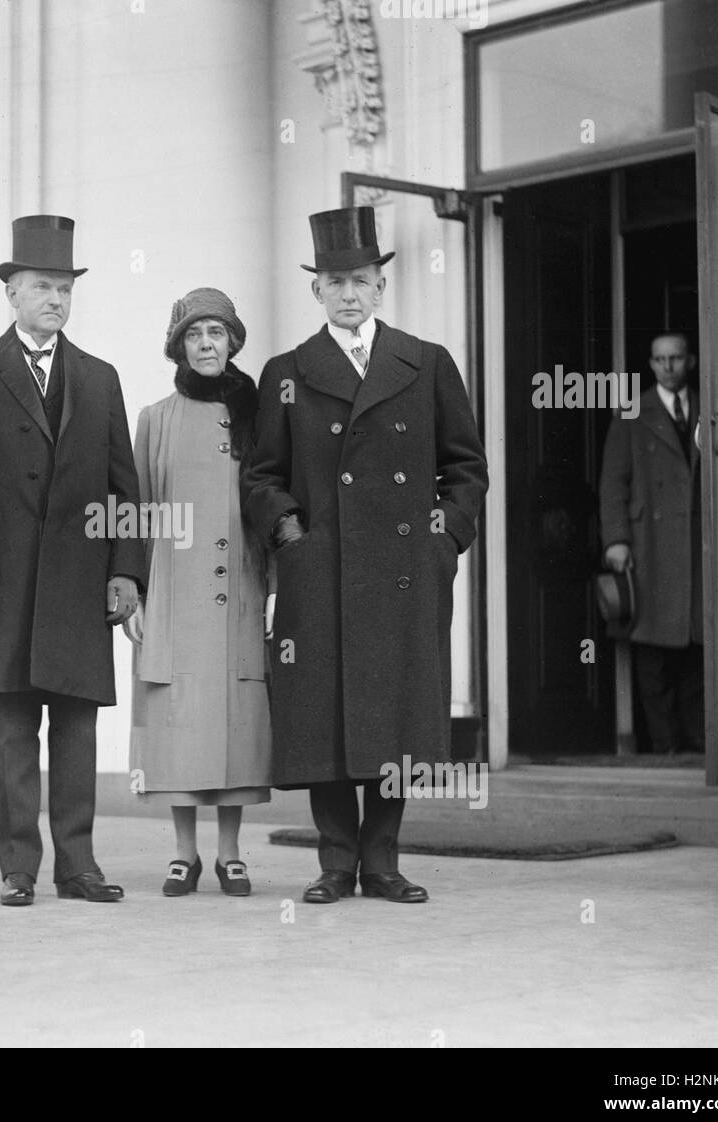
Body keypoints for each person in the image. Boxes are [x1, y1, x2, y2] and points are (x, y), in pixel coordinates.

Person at [241, 206, 488, 905]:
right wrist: (292, 535)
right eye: (334, 282)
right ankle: (333, 862)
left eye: (360, 280)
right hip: (321, 571)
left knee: (395, 714)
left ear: (380, 287)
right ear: (315, 291)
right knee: (323, 714)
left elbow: (466, 467)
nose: (348, 294)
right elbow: (261, 475)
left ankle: (382, 861)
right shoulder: (287, 372)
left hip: (405, 571)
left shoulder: (426, 362)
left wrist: (445, 537)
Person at [0, 215, 145, 906]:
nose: (54, 299)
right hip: (3, 583)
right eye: (41, 287)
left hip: (82, 581)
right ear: (12, 293)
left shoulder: (99, 378)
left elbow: (125, 485)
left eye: (64, 287)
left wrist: (126, 571)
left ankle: (78, 864)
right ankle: (19, 867)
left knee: (79, 726)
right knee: (15, 724)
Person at [125, 288, 271, 898]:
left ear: (232, 341)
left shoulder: (260, 414)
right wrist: (130, 590)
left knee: (236, 722)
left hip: (242, 587)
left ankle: (231, 854)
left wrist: (278, 588)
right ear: (178, 346)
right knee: (178, 720)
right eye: (194, 335)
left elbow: (275, 500)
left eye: (216, 333)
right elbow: (132, 511)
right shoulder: (156, 418)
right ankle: (183, 853)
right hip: (174, 597)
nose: (206, 344)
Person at [600, 331, 703, 753]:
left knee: (697, 649)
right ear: (650, 363)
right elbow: (613, 483)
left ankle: (701, 746)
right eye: (660, 359)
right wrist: (617, 541)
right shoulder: (631, 413)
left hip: (697, 547)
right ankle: (665, 748)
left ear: (690, 361)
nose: (668, 367)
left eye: (676, 358)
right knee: (654, 653)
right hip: (650, 545)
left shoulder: (710, 408)